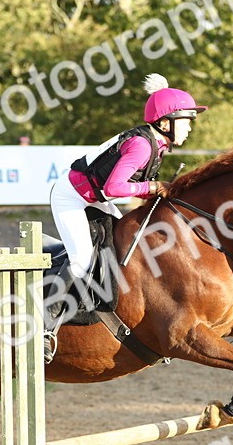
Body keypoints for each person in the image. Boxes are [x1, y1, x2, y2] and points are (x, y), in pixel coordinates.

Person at [44, 73, 206, 359]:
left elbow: (124, 188)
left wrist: (156, 192)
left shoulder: (158, 145)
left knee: (124, 247)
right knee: (81, 259)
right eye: (186, 121)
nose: (189, 128)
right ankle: (47, 325)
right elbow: (113, 188)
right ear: (166, 122)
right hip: (72, 198)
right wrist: (154, 187)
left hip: (94, 198)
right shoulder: (143, 145)